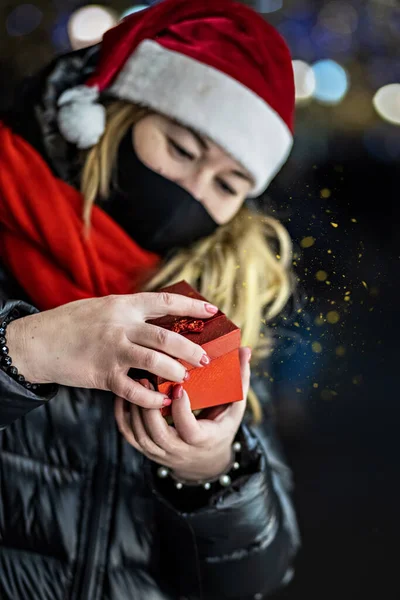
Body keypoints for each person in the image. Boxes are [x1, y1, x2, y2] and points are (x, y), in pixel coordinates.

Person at [0, 0, 301, 598]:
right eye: (182, 150)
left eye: (227, 184)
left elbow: (257, 577)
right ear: (109, 118)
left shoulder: (220, 299)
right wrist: (26, 350)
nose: (189, 190)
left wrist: (211, 472)